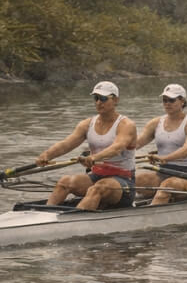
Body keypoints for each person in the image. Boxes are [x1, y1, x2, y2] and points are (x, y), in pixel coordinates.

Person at [35, 81, 137, 211]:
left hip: (124, 182)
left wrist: (95, 157)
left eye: (104, 98)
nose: (99, 102)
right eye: (96, 98)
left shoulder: (126, 125)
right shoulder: (86, 124)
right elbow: (66, 144)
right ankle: (44, 216)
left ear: (116, 100)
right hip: (96, 176)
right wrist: (46, 155)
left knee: (98, 188)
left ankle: (74, 222)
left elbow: (117, 147)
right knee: (64, 182)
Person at [135, 84, 187, 206]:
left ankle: (152, 215)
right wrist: (101, 156)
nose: (167, 103)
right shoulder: (156, 123)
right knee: (135, 181)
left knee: (168, 185)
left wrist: (164, 158)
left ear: (182, 101)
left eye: (172, 100)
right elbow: (135, 144)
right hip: (163, 172)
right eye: (165, 100)